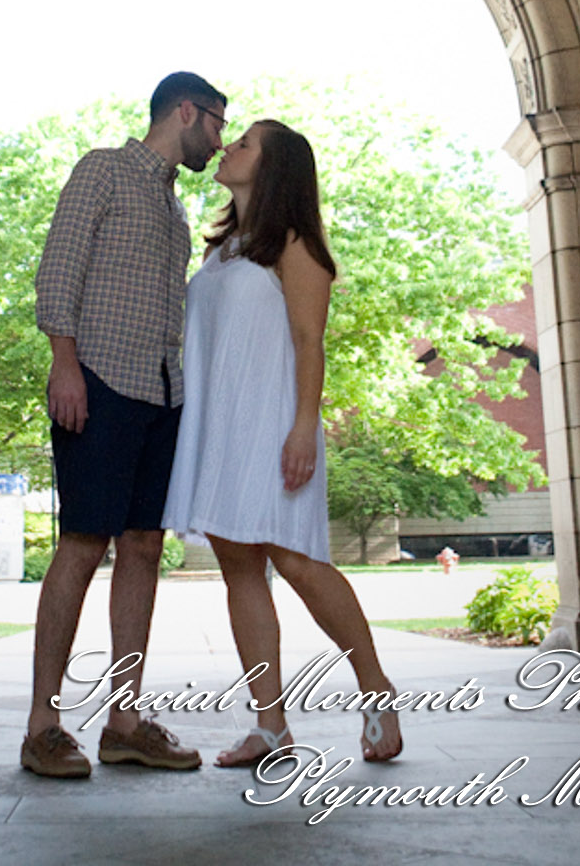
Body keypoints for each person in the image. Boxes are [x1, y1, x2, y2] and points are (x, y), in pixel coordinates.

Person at [162, 118, 404, 767]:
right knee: (238, 568)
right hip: (221, 431)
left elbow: (308, 341)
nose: (227, 146)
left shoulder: (295, 244)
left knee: (297, 562)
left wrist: (303, 426)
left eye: (244, 143)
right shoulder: (221, 249)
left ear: (272, 168)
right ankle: (270, 727)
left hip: (274, 426)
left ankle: (375, 689)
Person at [20, 71, 228, 779]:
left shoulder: (174, 207)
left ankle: (125, 722)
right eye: (217, 124)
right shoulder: (102, 169)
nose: (220, 142)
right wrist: (64, 364)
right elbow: (59, 271)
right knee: (82, 544)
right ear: (186, 111)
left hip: (163, 396)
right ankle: (42, 725)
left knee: (142, 546)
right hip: (98, 382)